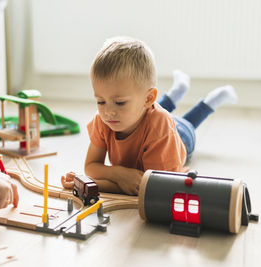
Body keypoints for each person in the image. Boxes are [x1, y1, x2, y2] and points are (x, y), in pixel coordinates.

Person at [63, 36, 237, 195]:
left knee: (186, 123)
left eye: (120, 102)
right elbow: (91, 167)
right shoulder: (104, 119)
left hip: (180, 135)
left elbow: (151, 185)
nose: (108, 111)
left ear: (149, 98)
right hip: (145, 117)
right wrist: (119, 173)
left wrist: (92, 184)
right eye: (100, 101)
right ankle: (178, 90)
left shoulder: (160, 124)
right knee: (141, 108)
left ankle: (211, 101)